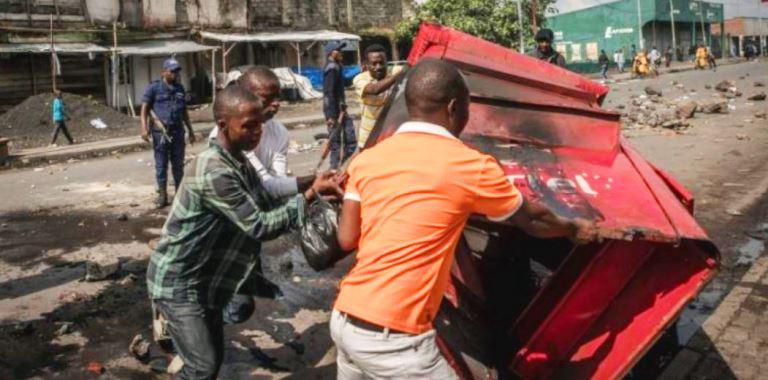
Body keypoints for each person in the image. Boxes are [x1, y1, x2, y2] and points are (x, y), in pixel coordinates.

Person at [332, 58, 596, 379]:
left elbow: (346, 238)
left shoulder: (368, 160)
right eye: (468, 107)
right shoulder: (470, 165)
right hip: (396, 338)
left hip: (346, 319)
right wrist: (576, 227)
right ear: (454, 107)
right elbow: (533, 220)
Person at [147, 85, 341, 380]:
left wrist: (312, 185)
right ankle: (175, 331)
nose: (257, 133)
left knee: (211, 356)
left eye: (260, 125)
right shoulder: (215, 170)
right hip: (180, 281)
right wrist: (311, 194)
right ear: (223, 126)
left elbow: (266, 197)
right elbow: (259, 224)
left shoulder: (238, 161)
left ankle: (178, 339)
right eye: (249, 126)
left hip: (208, 278)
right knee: (203, 366)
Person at [140, 58, 197, 209]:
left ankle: (179, 195)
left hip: (178, 131)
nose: (175, 74)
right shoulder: (154, 88)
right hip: (161, 133)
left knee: (178, 166)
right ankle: (162, 196)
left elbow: (184, 111)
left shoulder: (180, 89)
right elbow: (144, 108)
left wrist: (191, 131)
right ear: (164, 72)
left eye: (177, 71)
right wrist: (144, 128)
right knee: (161, 165)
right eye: (172, 71)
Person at [352, 44, 405, 149]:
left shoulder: (395, 71)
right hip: (369, 138)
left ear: (387, 62)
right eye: (374, 64)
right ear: (366, 64)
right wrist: (398, 76)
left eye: (381, 63)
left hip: (391, 136)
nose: (378, 67)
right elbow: (374, 90)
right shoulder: (360, 79)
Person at [323, 41, 356, 169]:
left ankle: (344, 166)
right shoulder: (331, 68)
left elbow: (343, 84)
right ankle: (334, 169)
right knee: (335, 143)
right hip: (334, 111)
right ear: (331, 53)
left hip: (341, 110)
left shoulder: (337, 66)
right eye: (338, 50)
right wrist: (331, 116)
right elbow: (328, 93)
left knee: (350, 140)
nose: (341, 52)